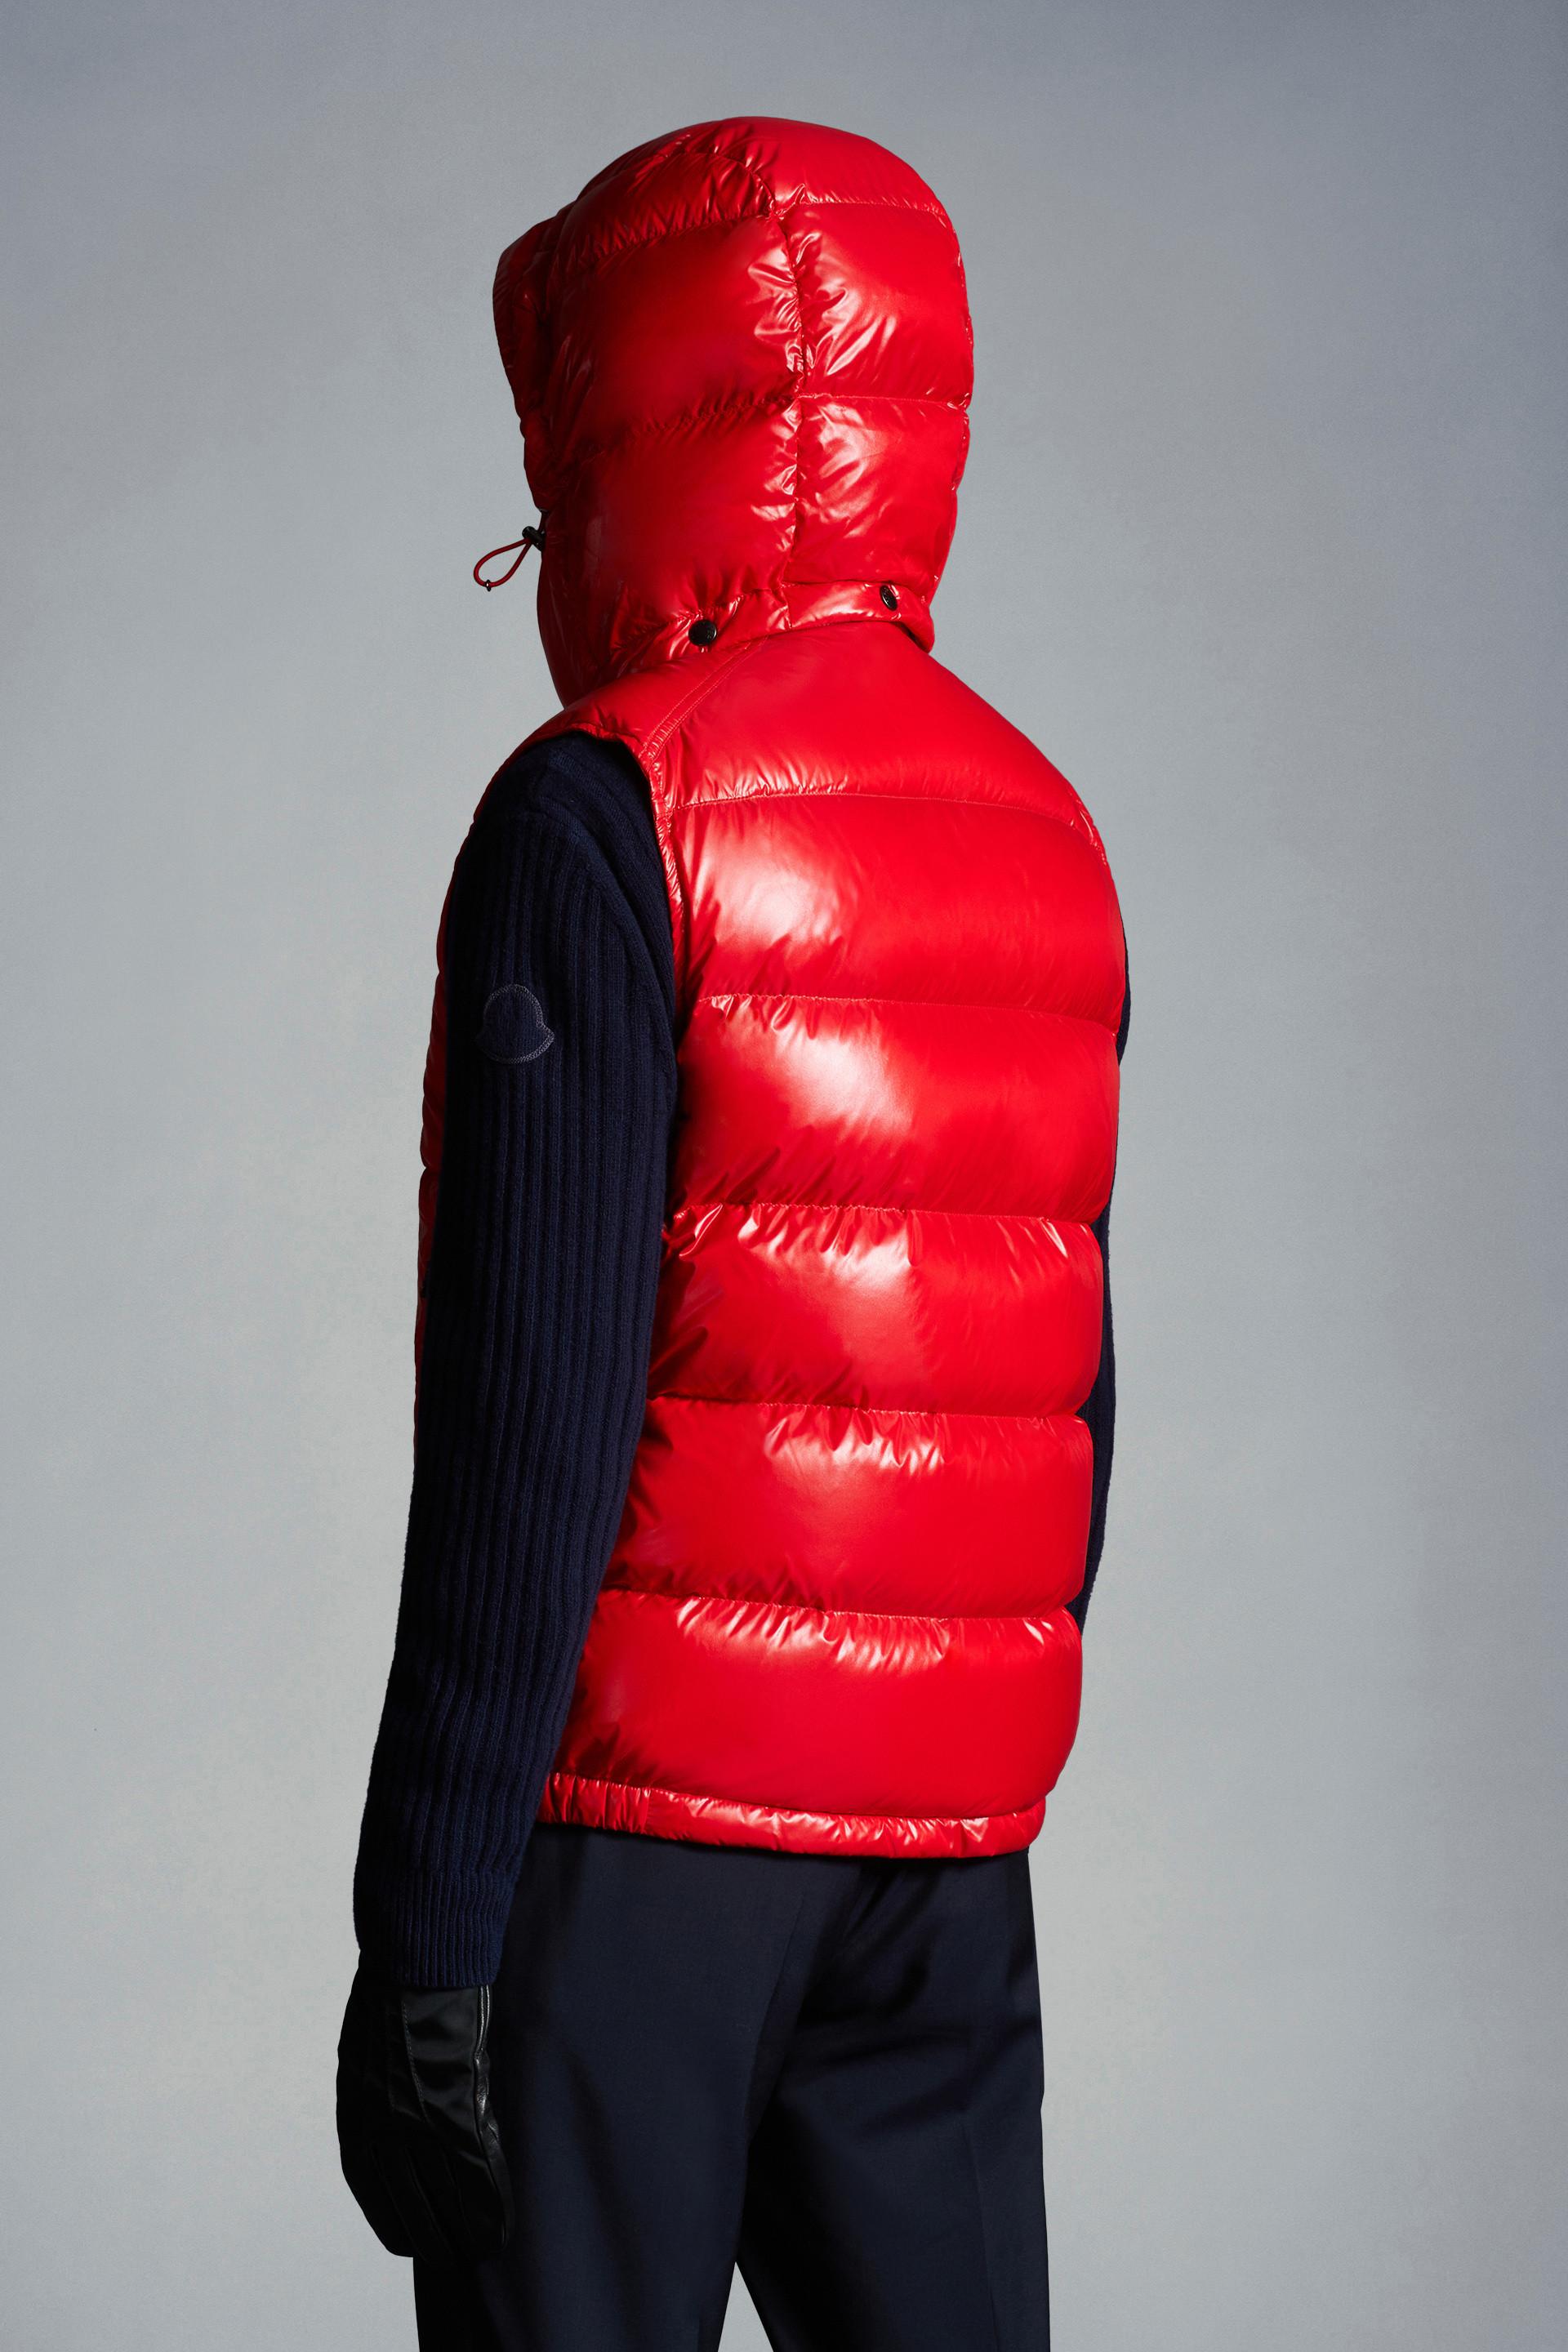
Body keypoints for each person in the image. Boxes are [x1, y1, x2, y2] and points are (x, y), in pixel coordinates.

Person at [337, 115, 1129, 2352]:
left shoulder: (606, 811)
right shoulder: (1041, 824)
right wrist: (967, 1750)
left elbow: (535, 1421)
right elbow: (1076, 1383)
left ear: (623, 424)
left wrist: (425, 1932)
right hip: (944, 1866)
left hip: (630, 1858)